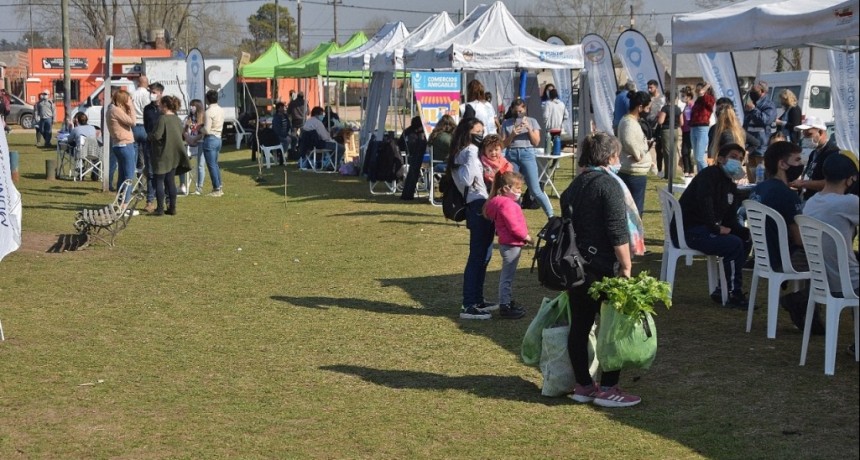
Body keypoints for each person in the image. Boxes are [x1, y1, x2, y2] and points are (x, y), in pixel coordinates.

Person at [562, 132, 640, 408]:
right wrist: (627, 267)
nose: (618, 160)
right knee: (613, 328)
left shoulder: (575, 184)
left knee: (580, 326)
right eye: (617, 155)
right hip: (602, 266)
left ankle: (583, 384)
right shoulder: (608, 185)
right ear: (609, 157)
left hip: (575, 266)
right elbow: (617, 230)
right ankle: (608, 387)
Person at [678, 143, 751, 308]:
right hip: (691, 230)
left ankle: (723, 287)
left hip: (706, 228)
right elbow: (706, 204)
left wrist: (743, 232)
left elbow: (730, 218)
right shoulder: (709, 175)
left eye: (740, 159)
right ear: (720, 159)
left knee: (744, 239)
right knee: (733, 244)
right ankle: (733, 293)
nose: (737, 162)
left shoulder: (730, 183)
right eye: (733, 157)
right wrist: (716, 228)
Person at [447, 117, 497, 320]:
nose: (481, 134)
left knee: (484, 255)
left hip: (479, 202)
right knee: (478, 256)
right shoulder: (468, 152)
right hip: (478, 205)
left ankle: (477, 299)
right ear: (468, 133)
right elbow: (469, 179)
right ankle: (469, 304)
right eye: (478, 131)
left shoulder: (463, 153)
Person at [802, 153, 859, 294]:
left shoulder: (810, 203)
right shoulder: (849, 202)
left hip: (821, 282)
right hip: (851, 283)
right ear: (850, 180)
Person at [749, 141, 807, 271]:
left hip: (763, 256)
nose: (800, 164)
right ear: (782, 164)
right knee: (831, 255)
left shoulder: (758, 189)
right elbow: (799, 239)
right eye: (797, 160)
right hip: (785, 259)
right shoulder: (787, 195)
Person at [482, 171, 529, 319]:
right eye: (517, 189)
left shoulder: (497, 202)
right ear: (507, 188)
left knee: (507, 276)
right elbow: (514, 226)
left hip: (506, 243)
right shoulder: (508, 205)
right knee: (507, 277)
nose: (520, 192)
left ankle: (507, 301)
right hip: (512, 244)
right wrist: (526, 236)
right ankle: (505, 305)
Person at [500, 98, 552, 218]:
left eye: (521, 111)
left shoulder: (532, 121)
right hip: (512, 155)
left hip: (527, 153)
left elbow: (536, 142)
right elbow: (503, 144)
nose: (519, 113)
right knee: (512, 190)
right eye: (516, 111)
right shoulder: (506, 123)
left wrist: (528, 129)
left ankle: (551, 215)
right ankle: (514, 216)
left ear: (525, 109)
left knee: (535, 189)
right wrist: (512, 134)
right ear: (512, 109)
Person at [148, 95, 185, 216]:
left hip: (162, 154)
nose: (158, 106)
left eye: (160, 104)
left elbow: (157, 135)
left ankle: (159, 209)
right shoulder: (177, 119)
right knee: (170, 182)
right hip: (174, 155)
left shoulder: (162, 119)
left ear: (165, 106)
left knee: (159, 181)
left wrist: (149, 136)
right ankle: (172, 207)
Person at [617, 90, 652, 218]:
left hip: (635, 171)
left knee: (635, 209)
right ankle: (634, 236)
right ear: (640, 107)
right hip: (633, 172)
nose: (648, 111)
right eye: (647, 107)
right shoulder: (629, 123)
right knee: (635, 210)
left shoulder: (630, 121)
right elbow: (629, 141)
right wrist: (639, 155)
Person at [792, 115, 840, 201]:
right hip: (808, 198)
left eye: (809, 134)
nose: (806, 138)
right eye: (804, 134)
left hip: (822, 202)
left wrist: (803, 183)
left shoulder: (832, 154)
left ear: (821, 132)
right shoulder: (814, 153)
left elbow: (831, 183)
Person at [107, 89, 137, 205]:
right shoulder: (116, 110)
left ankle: (120, 201)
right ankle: (125, 204)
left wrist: (128, 108)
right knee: (129, 175)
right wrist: (131, 107)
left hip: (118, 144)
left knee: (122, 174)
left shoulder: (111, 109)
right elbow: (133, 122)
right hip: (125, 144)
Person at [743, 81, 777, 181]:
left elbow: (766, 120)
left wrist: (753, 110)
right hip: (750, 148)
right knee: (752, 179)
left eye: (754, 91)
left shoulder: (769, 105)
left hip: (762, 149)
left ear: (762, 91)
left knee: (761, 178)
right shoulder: (751, 103)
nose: (751, 93)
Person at [142, 82, 164, 208]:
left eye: (154, 92)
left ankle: (165, 200)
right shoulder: (147, 109)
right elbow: (146, 125)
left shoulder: (165, 108)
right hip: (150, 144)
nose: (152, 94)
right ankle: (150, 200)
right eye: (150, 92)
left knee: (163, 174)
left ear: (160, 93)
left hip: (163, 145)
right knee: (150, 173)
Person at [708, 100, 746, 168]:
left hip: (723, 165)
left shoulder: (724, 132)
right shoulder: (738, 130)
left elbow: (710, 148)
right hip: (729, 165)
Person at [398, 116, 427, 201]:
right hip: (414, 156)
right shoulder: (418, 135)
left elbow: (400, 144)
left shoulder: (407, 132)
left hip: (407, 156)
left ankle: (408, 192)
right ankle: (409, 192)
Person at [201, 89, 225, 197]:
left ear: (207, 99)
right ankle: (219, 186)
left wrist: (199, 129)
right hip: (218, 138)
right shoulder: (221, 110)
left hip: (210, 138)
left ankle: (216, 188)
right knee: (215, 164)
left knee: (211, 165)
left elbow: (206, 129)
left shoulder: (208, 112)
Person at [689, 82, 715, 173]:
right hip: (693, 128)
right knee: (696, 158)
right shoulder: (698, 101)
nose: (698, 91)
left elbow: (703, 94)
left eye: (699, 89)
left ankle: (707, 175)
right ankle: (700, 176)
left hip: (702, 128)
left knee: (700, 157)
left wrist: (706, 86)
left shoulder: (710, 99)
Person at [657, 90, 683, 179]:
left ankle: (668, 175)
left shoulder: (665, 108)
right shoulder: (678, 109)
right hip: (675, 130)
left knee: (667, 153)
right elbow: (682, 122)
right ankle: (673, 174)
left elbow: (660, 121)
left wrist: (659, 115)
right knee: (673, 153)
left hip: (667, 131)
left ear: (667, 98)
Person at [182, 99, 206, 194]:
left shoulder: (203, 118)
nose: (191, 108)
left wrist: (195, 139)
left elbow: (204, 132)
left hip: (200, 142)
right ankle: (182, 184)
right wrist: (188, 138)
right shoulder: (188, 118)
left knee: (200, 165)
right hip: (189, 143)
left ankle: (199, 187)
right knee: (183, 164)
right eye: (190, 106)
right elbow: (183, 130)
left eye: (193, 106)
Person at [680, 86, 695, 177]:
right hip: (685, 130)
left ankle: (691, 170)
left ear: (689, 96)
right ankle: (686, 169)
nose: (682, 97)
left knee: (689, 151)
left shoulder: (692, 105)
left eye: (684, 95)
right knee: (684, 151)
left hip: (691, 130)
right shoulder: (685, 106)